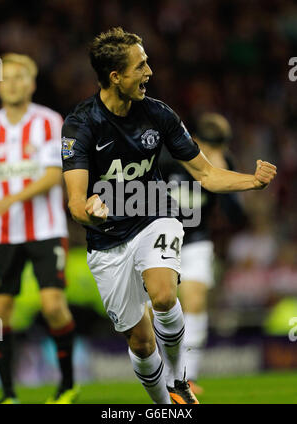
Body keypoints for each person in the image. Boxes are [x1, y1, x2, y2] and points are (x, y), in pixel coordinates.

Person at [62, 27, 276, 404]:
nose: (149, 72)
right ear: (116, 77)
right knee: (141, 342)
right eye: (140, 65)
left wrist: (252, 182)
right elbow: (76, 203)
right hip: (106, 240)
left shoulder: (159, 115)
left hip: (154, 216)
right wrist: (91, 212)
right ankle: (165, 405)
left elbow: (206, 173)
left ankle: (180, 382)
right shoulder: (81, 125)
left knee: (163, 295)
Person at [0, 54, 78, 404]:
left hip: (45, 229)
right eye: (6, 78)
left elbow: (52, 175)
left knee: (53, 306)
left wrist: (10, 199)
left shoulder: (49, 121)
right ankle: (9, 393)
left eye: (20, 78)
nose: (12, 84)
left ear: (31, 84)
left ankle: (67, 384)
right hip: (2, 234)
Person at [159, 112, 247, 395]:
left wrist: (221, 180)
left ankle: (187, 375)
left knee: (194, 302)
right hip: (160, 238)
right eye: (210, 148)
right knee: (160, 308)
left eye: (219, 149)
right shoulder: (166, 158)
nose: (213, 154)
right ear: (194, 141)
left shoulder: (222, 163)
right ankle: (163, 373)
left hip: (196, 240)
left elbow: (237, 217)